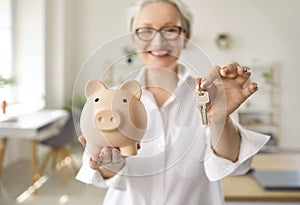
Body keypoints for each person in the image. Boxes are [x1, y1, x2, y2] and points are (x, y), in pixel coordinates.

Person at [76, 0, 270, 204]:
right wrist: (111, 165)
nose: (158, 42)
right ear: (134, 38)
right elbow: (101, 171)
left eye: (170, 30)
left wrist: (219, 119)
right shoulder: (108, 99)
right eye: (146, 30)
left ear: (185, 37)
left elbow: (231, 163)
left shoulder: (211, 94)